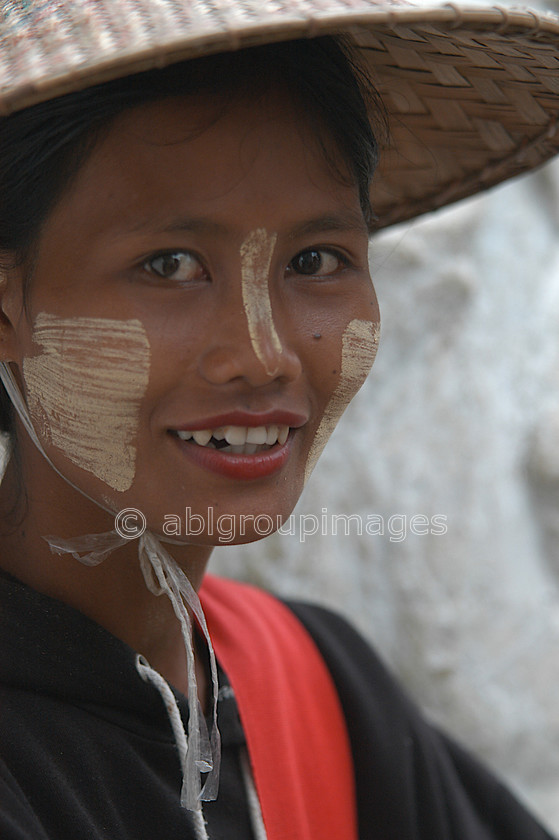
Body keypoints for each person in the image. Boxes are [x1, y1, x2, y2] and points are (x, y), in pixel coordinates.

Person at [0, 1, 557, 838]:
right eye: (171, 265)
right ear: (8, 307)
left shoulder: (311, 688)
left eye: (315, 261)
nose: (264, 356)